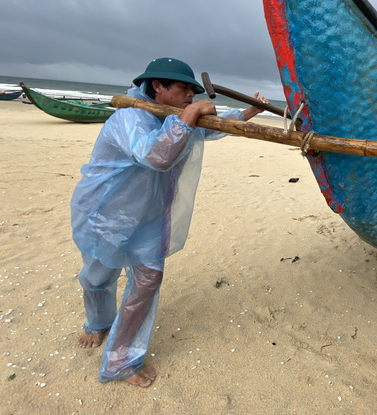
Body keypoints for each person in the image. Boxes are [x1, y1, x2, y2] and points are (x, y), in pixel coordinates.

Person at [71, 57, 268, 387]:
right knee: (97, 275)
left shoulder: (177, 116)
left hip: (149, 215)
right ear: (158, 86)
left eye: (193, 90)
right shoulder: (129, 117)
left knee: (148, 280)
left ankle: (121, 360)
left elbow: (208, 130)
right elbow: (156, 156)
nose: (190, 94)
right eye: (184, 88)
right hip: (105, 214)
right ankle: (98, 323)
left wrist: (248, 113)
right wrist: (190, 116)